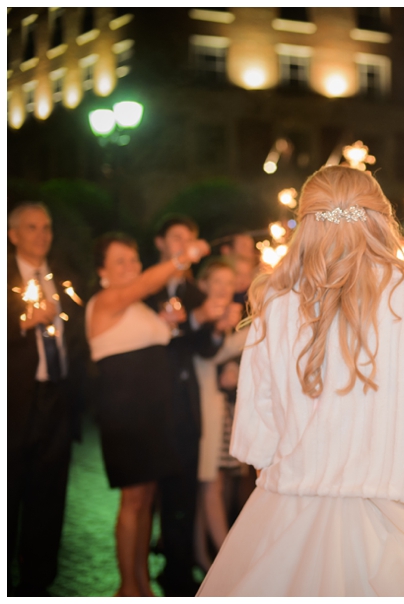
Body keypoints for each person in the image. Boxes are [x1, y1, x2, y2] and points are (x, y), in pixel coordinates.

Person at [197, 165, 404, 596]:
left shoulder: (277, 309)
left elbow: (255, 439)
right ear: (379, 220)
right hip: (402, 522)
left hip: (290, 522)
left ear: (307, 226)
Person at [86, 232, 210, 596]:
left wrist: (170, 322)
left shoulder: (138, 308)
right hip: (127, 414)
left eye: (133, 259)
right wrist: (182, 258)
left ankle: (140, 583)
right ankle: (128, 587)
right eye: (119, 261)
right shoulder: (106, 300)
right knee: (133, 499)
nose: (130, 266)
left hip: (154, 415)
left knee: (146, 500)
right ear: (103, 271)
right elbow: (143, 284)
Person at [144, 216, 231, 596]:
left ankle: (178, 572)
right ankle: (140, 571)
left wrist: (215, 326)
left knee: (185, 488)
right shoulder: (144, 288)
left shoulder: (195, 291)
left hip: (187, 405)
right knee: (145, 494)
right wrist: (194, 321)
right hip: (151, 402)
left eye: (191, 239)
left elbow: (204, 350)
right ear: (160, 242)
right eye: (177, 237)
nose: (184, 245)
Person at [8, 202, 87, 596]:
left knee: (50, 494)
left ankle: (39, 582)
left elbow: (79, 337)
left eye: (47, 227)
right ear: (12, 234)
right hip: (14, 405)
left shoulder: (62, 279)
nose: (42, 235)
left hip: (56, 400)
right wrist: (23, 321)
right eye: (32, 227)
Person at [192, 258, 247, 569]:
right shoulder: (203, 321)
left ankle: (203, 555)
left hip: (221, 407)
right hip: (202, 409)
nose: (224, 289)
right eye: (218, 282)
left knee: (216, 483)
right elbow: (208, 355)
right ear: (204, 286)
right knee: (210, 482)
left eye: (230, 282)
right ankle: (227, 560)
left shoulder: (230, 317)